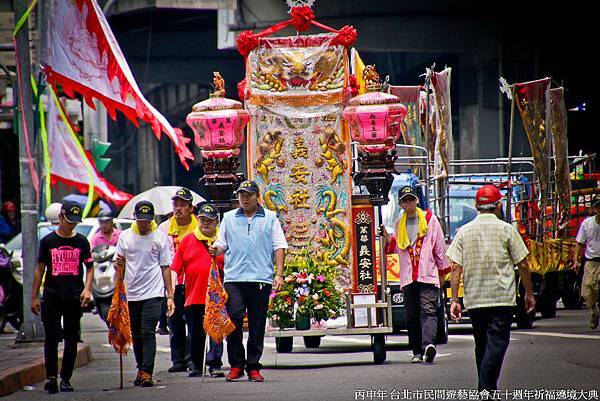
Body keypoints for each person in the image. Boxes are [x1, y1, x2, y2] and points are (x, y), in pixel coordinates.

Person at [446, 185, 535, 395]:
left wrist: (455, 300)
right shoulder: (507, 230)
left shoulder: (464, 232)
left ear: (477, 207)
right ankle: (486, 388)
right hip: (502, 297)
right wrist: (529, 293)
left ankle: (487, 389)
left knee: (482, 344)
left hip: (475, 299)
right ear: (498, 206)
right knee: (497, 343)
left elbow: (456, 267)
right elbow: (523, 263)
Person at [209, 180, 287, 382]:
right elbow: (221, 244)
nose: (244, 198)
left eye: (248, 194)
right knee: (233, 320)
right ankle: (236, 365)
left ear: (257, 196)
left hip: (260, 278)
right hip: (234, 278)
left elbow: (279, 246)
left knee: (257, 324)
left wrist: (279, 274)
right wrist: (214, 249)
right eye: (241, 194)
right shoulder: (228, 218)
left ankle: (253, 366)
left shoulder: (270, 218)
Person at [381, 185, 450, 364]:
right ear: (401, 204)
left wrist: (442, 274)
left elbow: (439, 247)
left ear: (417, 200)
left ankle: (428, 345)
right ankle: (416, 351)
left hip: (427, 273)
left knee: (428, 310)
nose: (409, 202)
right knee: (411, 315)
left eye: (411, 199)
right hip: (408, 276)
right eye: (405, 200)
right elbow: (396, 246)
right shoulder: (399, 223)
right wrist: (386, 236)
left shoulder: (429, 219)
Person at [31, 201, 93, 394]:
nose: (71, 224)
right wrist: (34, 296)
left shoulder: (82, 241)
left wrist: (87, 289)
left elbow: (89, 267)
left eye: (75, 222)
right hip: (52, 296)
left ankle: (66, 378)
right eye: (69, 220)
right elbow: (40, 269)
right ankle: (51, 378)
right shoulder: (48, 241)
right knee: (51, 337)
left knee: (71, 338)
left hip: (74, 296)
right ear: (60, 217)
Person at [114, 200, 175, 387]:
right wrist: (118, 272)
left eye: (147, 220)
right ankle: (140, 368)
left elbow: (165, 267)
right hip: (131, 293)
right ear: (135, 218)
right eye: (140, 220)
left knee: (147, 332)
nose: (143, 224)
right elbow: (120, 265)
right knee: (136, 334)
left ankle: (147, 372)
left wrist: (170, 295)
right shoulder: (125, 237)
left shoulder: (159, 237)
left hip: (153, 293)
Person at [170, 203, 224, 377]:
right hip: (194, 295)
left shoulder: (223, 241)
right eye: (202, 219)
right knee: (195, 334)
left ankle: (214, 364)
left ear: (217, 222)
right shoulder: (188, 240)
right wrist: (170, 291)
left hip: (216, 296)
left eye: (209, 220)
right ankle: (196, 364)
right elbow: (175, 268)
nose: (205, 223)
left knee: (216, 331)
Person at [158, 187, 198, 372]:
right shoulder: (164, 228)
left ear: (191, 208)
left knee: (194, 322)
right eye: (176, 204)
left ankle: (193, 359)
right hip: (173, 283)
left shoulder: (199, 226)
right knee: (175, 322)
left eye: (183, 205)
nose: (178, 208)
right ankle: (178, 360)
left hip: (193, 281)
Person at [573, 194, 600, 329]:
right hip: (591, 262)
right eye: (598, 206)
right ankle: (594, 310)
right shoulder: (587, 223)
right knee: (587, 290)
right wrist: (575, 261)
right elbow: (579, 243)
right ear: (595, 208)